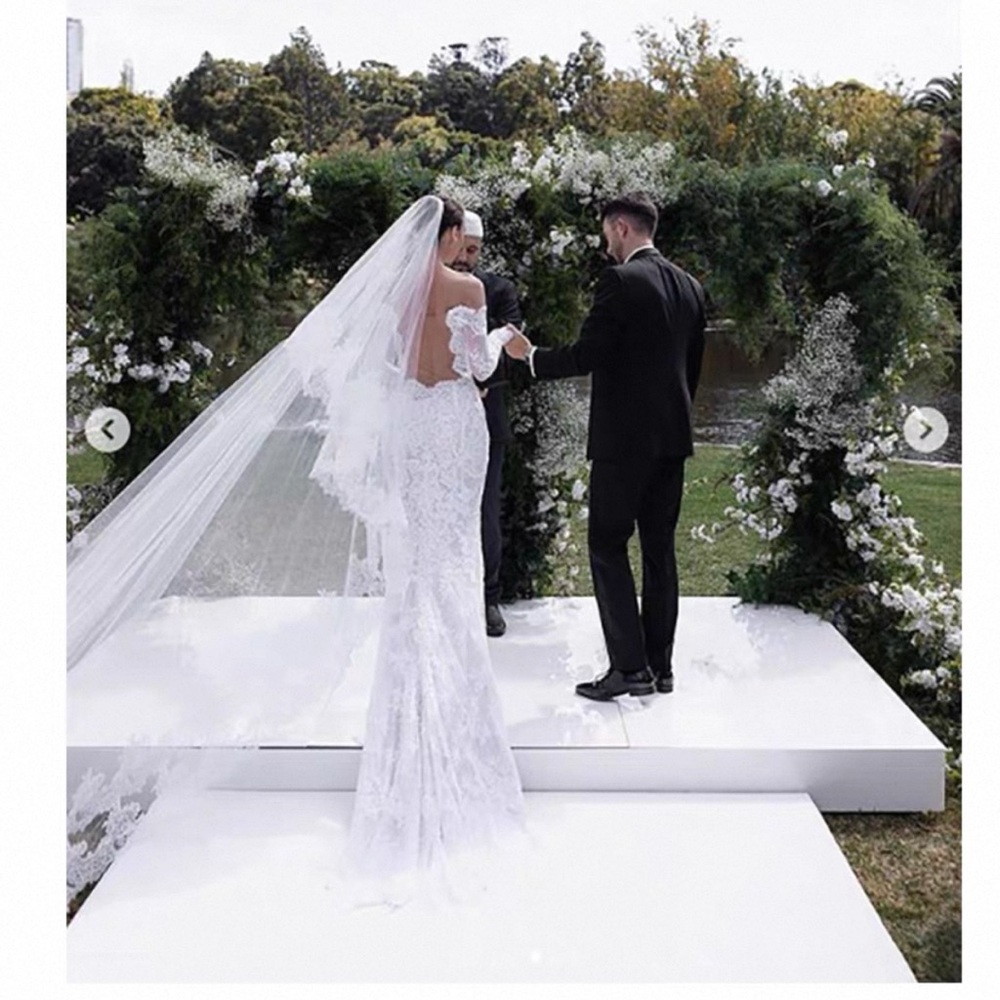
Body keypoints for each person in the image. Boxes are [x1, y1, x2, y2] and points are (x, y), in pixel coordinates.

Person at [344, 196, 525, 897]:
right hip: (452, 426)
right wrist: (505, 337)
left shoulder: (394, 291)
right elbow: (474, 367)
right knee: (452, 554)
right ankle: (452, 697)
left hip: (407, 425)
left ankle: (404, 707)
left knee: (416, 559)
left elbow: (391, 361)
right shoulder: (465, 288)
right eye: (461, 235)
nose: (462, 246)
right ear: (450, 234)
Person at [504, 191, 706, 701]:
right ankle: (661, 668)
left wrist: (530, 358)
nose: (604, 243)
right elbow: (692, 371)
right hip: (672, 439)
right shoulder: (691, 287)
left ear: (619, 227)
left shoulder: (619, 280)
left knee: (607, 544)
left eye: (604, 232)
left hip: (623, 443)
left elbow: (588, 354)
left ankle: (628, 669)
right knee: (660, 549)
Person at [450, 210, 523, 637]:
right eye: (462, 248)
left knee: (485, 509)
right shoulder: (427, 287)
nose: (466, 258)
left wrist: (481, 381)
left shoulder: (497, 289)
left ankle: (488, 597)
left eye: (474, 251)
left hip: (485, 416)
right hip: (437, 415)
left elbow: (510, 335)